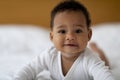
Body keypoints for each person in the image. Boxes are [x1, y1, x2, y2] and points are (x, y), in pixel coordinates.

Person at [14, 0, 114, 80]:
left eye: (78, 31)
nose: (70, 36)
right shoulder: (49, 55)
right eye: (62, 31)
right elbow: (30, 68)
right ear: (52, 37)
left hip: (97, 59)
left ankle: (96, 48)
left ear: (88, 35)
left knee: (104, 62)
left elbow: (103, 75)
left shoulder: (89, 59)